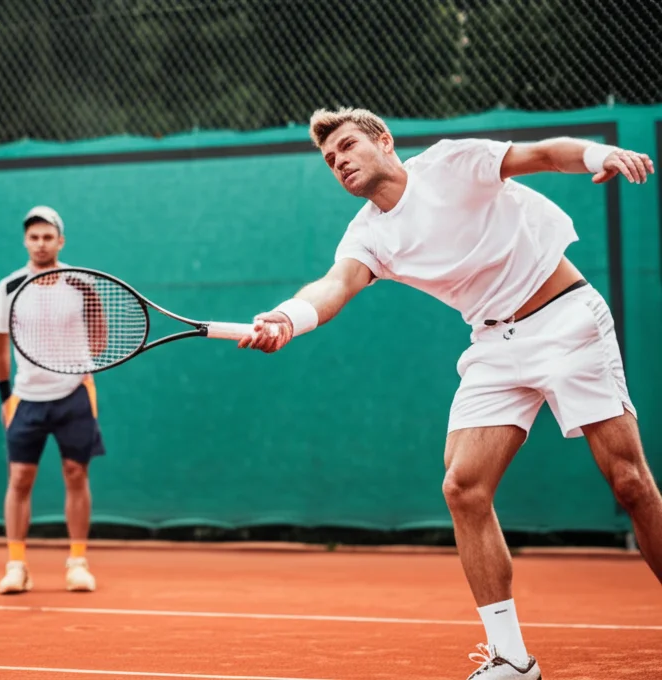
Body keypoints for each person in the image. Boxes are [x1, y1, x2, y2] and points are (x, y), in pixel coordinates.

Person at [238, 107, 662, 679]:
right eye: (330, 159)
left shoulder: (452, 163)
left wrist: (598, 154)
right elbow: (337, 284)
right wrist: (288, 318)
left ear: (383, 141)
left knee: (630, 482)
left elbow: (541, 153)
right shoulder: (368, 233)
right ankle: (512, 658)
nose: (338, 161)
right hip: (492, 345)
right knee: (463, 488)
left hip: (565, 319)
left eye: (346, 146)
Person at [0, 205, 105, 594]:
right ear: (26, 241)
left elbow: (101, 335)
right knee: (19, 478)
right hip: (26, 397)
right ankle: (17, 566)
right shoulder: (7, 287)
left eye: (48, 237)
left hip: (75, 393)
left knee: (76, 473)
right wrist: (6, 396)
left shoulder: (81, 283)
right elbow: (0, 346)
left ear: (60, 241)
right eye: (34, 237)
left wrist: (92, 358)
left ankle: (77, 562)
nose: (40, 244)